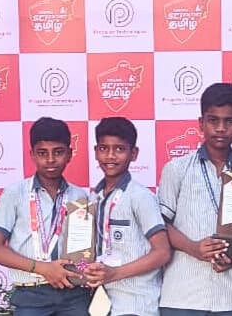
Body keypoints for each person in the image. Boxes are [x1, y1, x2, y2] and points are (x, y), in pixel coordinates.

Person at [157, 82, 232, 316]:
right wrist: (193, 248)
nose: (221, 128)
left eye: (230, 121)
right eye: (213, 120)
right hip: (183, 294)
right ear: (201, 123)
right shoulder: (177, 169)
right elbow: (161, 225)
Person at [0, 117, 91, 316]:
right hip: (30, 294)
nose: (50, 160)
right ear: (32, 155)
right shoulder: (14, 193)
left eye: (58, 152)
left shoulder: (80, 196)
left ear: (69, 154)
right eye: (42, 153)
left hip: (73, 293)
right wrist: (43, 268)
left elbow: (85, 251)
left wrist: (85, 273)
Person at [83, 117, 172, 316]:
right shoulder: (93, 197)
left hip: (136, 304)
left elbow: (162, 252)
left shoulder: (141, 197)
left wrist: (114, 273)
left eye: (119, 149)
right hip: (101, 304)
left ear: (134, 154)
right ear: (96, 151)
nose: (110, 156)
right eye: (104, 148)